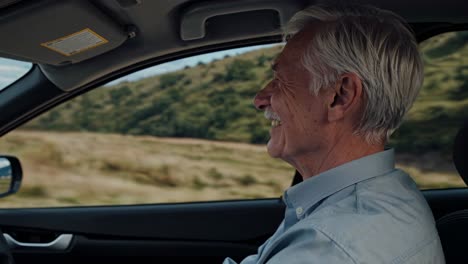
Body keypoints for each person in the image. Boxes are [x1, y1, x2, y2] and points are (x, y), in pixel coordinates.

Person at [224, 3, 445, 264]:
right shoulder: (391, 192)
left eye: (280, 80)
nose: (260, 99)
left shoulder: (329, 249)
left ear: (340, 96)